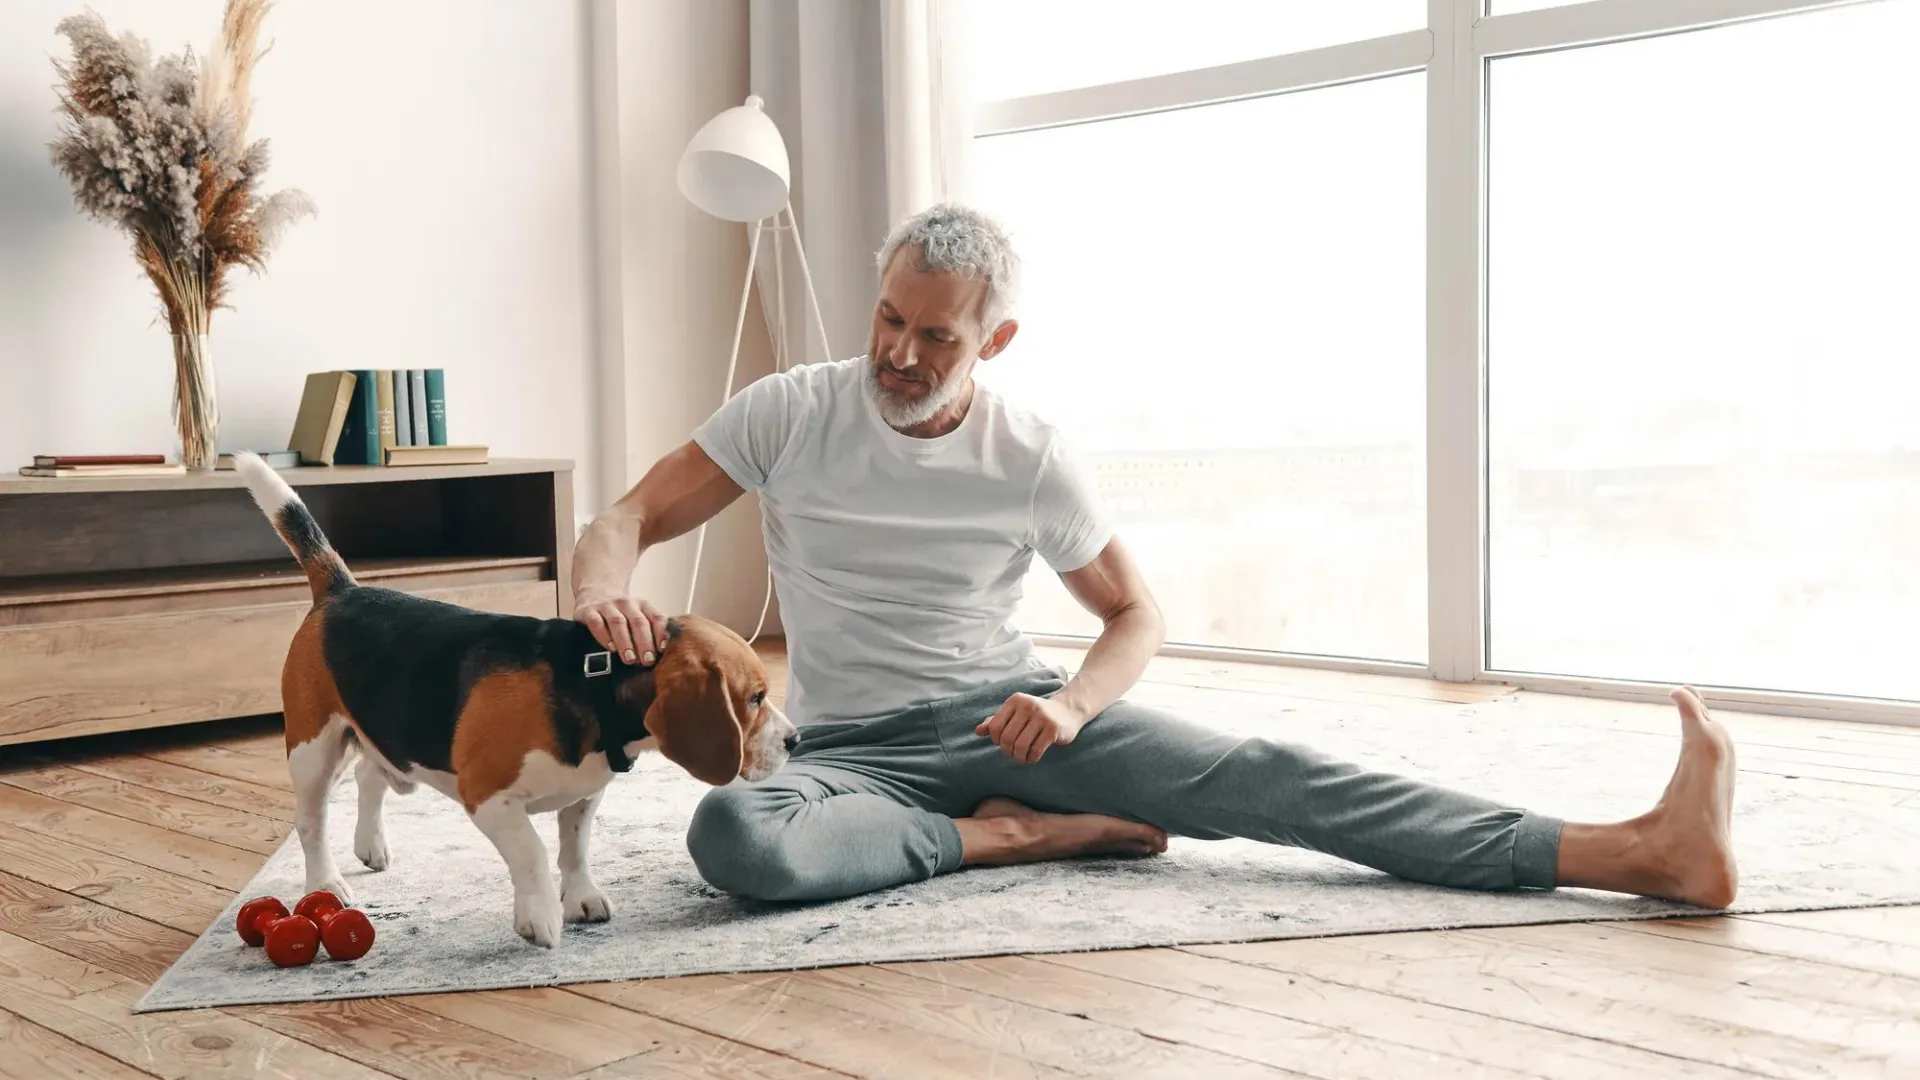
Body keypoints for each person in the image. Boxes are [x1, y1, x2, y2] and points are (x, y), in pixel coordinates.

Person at [570, 202, 1739, 909]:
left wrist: (1072, 706)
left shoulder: (1030, 453)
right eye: (889, 319)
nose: (900, 354)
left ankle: (1638, 852)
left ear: (996, 338)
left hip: (1011, 721)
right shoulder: (788, 412)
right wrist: (601, 595)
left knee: (1269, 773)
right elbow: (626, 516)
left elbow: (1137, 614)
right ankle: (1007, 840)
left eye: (937, 335)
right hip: (851, 754)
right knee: (734, 836)